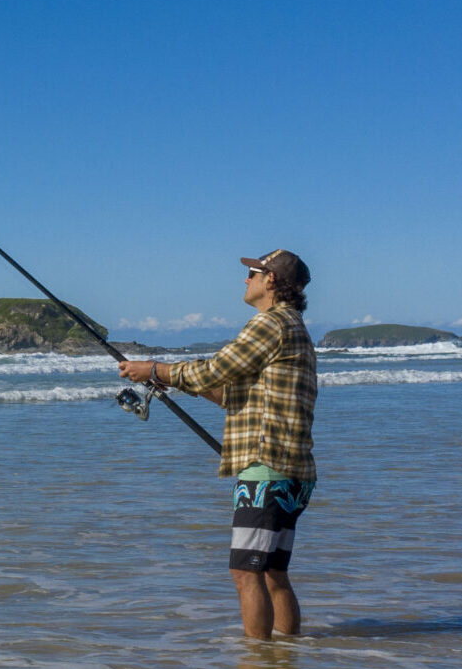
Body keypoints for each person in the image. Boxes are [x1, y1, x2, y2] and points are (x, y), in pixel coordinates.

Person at [119, 250, 317, 642]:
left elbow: (214, 369)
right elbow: (234, 394)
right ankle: (288, 658)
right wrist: (172, 382)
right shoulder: (293, 327)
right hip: (292, 472)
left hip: (266, 468)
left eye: (252, 273)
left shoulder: (269, 324)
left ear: (271, 281)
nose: (246, 280)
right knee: (273, 572)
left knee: (245, 572)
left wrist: (154, 369)